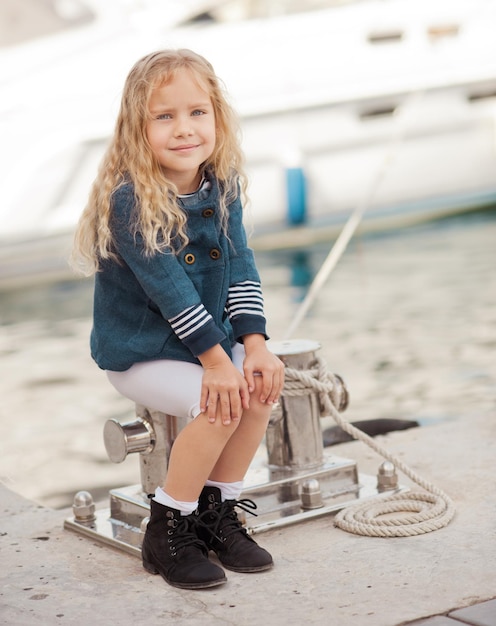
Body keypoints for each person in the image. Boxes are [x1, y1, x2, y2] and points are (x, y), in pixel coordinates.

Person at [71, 48, 285, 590]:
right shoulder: (130, 202)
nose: (184, 129)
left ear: (217, 116)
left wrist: (254, 346)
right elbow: (170, 293)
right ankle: (167, 529)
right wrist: (217, 363)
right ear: (136, 127)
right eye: (164, 116)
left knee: (258, 389)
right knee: (218, 403)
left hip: (205, 345)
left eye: (197, 112)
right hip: (142, 350)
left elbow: (240, 266)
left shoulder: (222, 185)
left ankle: (216, 512)